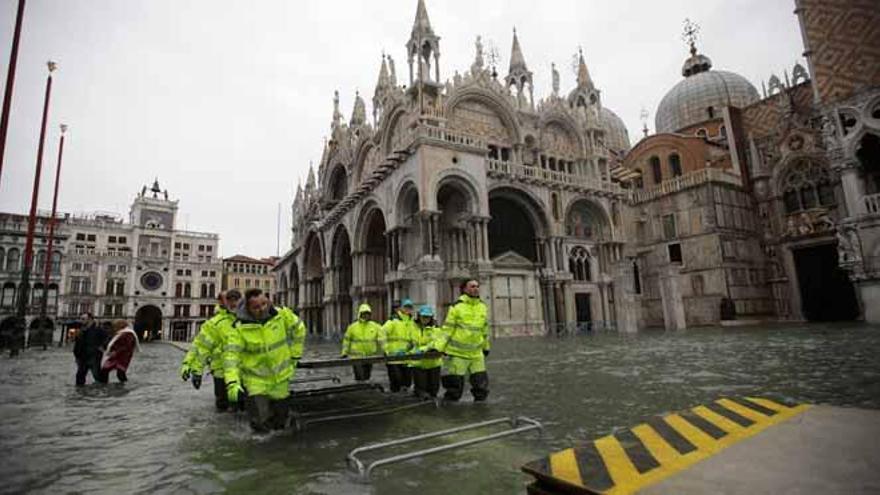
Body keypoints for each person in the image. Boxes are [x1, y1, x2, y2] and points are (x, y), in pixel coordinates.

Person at [224, 289, 307, 433]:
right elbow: (231, 356)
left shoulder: (281, 314)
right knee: (260, 424)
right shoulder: (239, 328)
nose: (262, 309)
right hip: (256, 382)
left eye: (264, 303)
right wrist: (232, 382)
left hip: (280, 379)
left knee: (280, 423)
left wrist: (295, 355)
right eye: (256, 307)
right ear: (248, 309)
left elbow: (299, 328)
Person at [180, 290, 241, 411]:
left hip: (243, 373)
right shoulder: (214, 323)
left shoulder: (246, 319)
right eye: (228, 299)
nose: (233, 302)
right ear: (221, 302)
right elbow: (201, 347)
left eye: (236, 298)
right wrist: (196, 370)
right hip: (221, 372)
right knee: (224, 408)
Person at [439, 279, 491, 402]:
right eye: (472, 286)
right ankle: (450, 414)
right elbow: (447, 329)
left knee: (481, 388)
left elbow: (484, 330)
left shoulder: (482, 306)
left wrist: (486, 347)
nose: (476, 288)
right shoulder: (456, 307)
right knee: (454, 389)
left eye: (477, 286)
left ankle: (480, 412)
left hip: (477, 354)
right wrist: (440, 347)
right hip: (458, 354)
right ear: (464, 289)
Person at [380, 298, 417, 392]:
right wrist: (386, 350)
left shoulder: (412, 322)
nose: (408, 309)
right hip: (393, 358)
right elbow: (381, 333)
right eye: (406, 307)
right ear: (401, 308)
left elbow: (415, 337)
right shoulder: (394, 320)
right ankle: (394, 400)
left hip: (407, 357)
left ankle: (404, 400)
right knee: (396, 381)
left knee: (407, 382)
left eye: (410, 307)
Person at [341, 303, 383, 381]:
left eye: (368, 314)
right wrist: (344, 353)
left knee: (367, 376)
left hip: (369, 357)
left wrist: (385, 350)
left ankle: (364, 391)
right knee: (360, 376)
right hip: (356, 357)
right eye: (364, 313)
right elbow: (346, 341)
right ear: (360, 314)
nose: (366, 316)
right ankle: (360, 390)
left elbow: (382, 339)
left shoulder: (375, 326)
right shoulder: (352, 327)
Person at [410, 305, 444, 399]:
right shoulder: (412, 328)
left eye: (428, 317)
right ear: (419, 316)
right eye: (423, 316)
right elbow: (407, 342)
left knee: (434, 390)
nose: (425, 319)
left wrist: (429, 348)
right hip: (418, 363)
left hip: (434, 363)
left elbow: (440, 341)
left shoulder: (436, 329)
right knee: (421, 390)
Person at [73, 313, 108, 386]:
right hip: (82, 357)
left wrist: (102, 347)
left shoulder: (98, 330)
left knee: (97, 376)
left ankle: (101, 392)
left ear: (90, 319)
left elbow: (107, 339)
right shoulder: (81, 330)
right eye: (81, 319)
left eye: (83, 319)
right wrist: (76, 355)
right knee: (79, 377)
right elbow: (77, 344)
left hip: (94, 356)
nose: (81, 321)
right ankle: (80, 393)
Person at [100, 319, 140, 383]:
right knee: (105, 370)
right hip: (114, 356)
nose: (114, 327)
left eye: (116, 325)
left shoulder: (128, 334)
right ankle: (104, 384)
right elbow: (111, 342)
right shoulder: (118, 333)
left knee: (120, 373)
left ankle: (124, 385)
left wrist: (116, 352)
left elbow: (127, 346)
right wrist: (104, 347)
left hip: (123, 356)